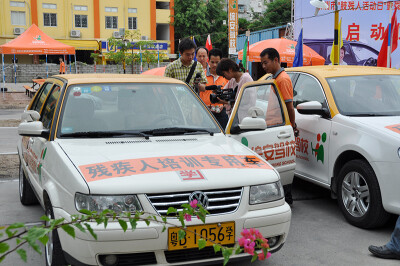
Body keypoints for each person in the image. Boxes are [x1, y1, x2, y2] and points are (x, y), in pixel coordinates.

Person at [260, 47, 297, 206]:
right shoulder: (274, 78)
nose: (263, 66)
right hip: (273, 125)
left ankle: (287, 200)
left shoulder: (283, 79)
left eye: (265, 62)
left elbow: (289, 106)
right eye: (262, 63)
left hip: (281, 128)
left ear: (276, 60)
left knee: (282, 164)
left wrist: (292, 126)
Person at [216, 58, 255, 123]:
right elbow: (224, 92)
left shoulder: (246, 79)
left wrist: (226, 102)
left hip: (245, 120)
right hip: (234, 118)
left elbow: (244, 102)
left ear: (230, 70)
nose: (224, 77)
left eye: (223, 74)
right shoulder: (232, 80)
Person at [200, 48, 229, 128]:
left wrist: (224, 105)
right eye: (212, 62)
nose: (214, 65)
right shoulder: (202, 76)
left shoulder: (226, 76)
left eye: (217, 62)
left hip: (222, 113)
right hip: (205, 113)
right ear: (208, 61)